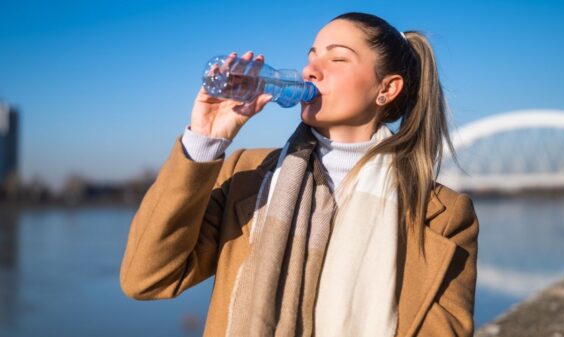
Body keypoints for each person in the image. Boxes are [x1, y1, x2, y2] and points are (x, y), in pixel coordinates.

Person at [120, 11, 479, 337]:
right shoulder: (250, 175)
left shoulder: (443, 216)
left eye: (337, 58)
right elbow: (147, 279)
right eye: (311, 56)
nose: (311, 70)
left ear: (386, 89)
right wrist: (204, 141)